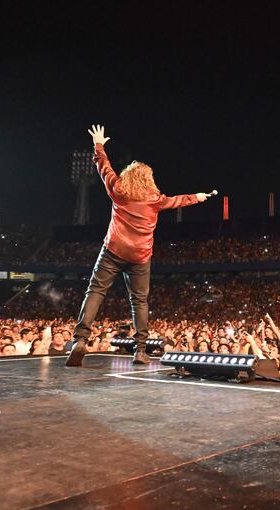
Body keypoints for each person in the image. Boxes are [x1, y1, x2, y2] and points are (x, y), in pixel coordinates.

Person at [66, 125, 212, 366]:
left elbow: (104, 168)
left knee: (95, 291)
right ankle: (140, 350)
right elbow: (178, 201)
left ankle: (80, 340)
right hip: (140, 256)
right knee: (139, 301)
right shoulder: (155, 200)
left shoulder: (118, 190)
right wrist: (197, 197)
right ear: (148, 180)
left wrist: (99, 145)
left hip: (113, 250)